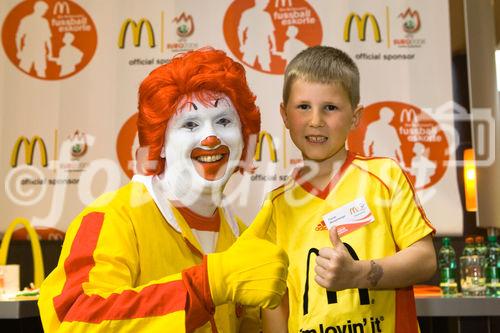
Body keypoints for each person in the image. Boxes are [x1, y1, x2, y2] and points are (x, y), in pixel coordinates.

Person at [38, 48, 288, 333]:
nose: (210, 137)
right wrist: (206, 286)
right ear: (162, 143)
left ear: (244, 138)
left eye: (224, 121)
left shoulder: (240, 235)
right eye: (190, 124)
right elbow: (72, 321)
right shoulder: (112, 218)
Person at [245, 46, 437, 332]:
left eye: (330, 108)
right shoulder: (276, 207)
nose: (316, 120)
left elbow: (425, 260)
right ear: (285, 115)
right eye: (303, 107)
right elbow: (276, 302)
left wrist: (359, 274)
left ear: (355, 116)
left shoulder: (385, 176)